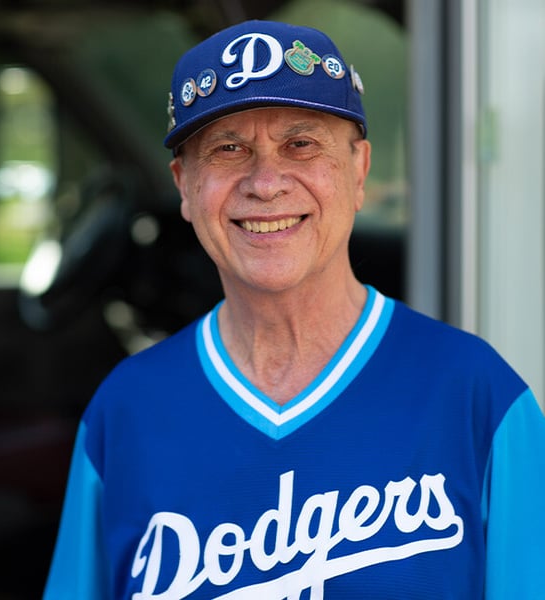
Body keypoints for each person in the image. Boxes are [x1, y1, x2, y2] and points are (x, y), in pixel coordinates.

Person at [43, 20, 545, 599]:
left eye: (300, 144)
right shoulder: (124, 412)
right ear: (184, 185)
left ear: (357, 171)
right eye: (228, 149)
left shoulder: (477, 394)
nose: (265, 182)